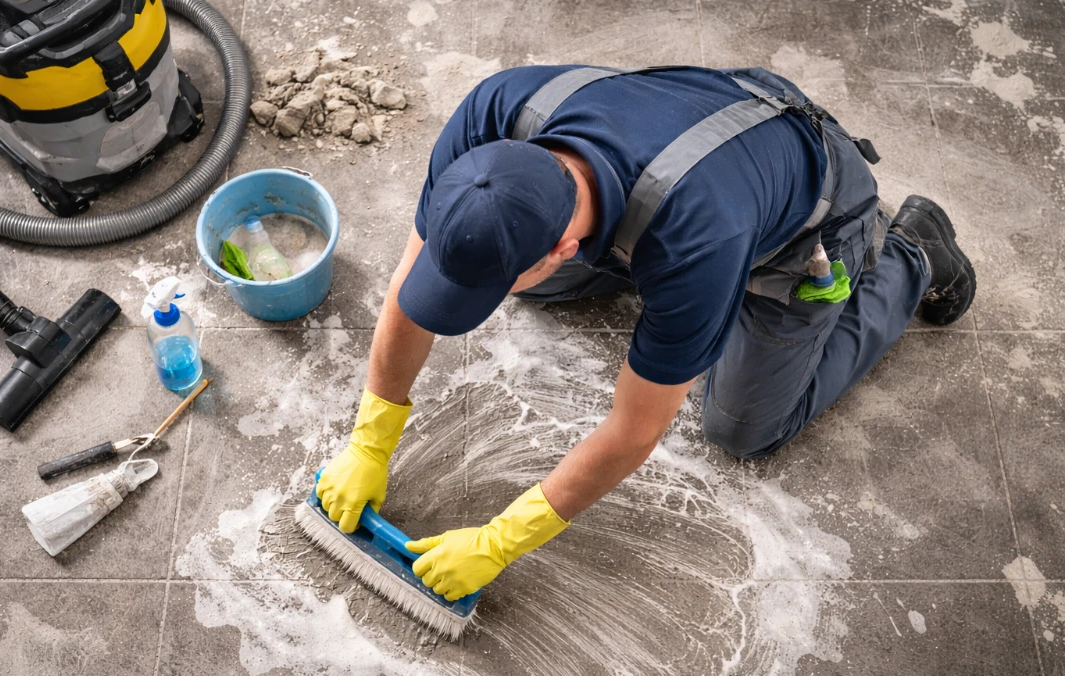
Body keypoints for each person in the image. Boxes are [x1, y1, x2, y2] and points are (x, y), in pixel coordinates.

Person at [314, 65, 976, 602]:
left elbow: (635, 430)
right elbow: (413, 279)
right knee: (527, 294)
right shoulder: (491, 118)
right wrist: (372, 436)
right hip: (692, 171)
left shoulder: (698, 243)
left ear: (562, 248)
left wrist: (501, 539)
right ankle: (634, 266)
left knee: (740, 429)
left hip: (805, 226)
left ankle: (912, 254)